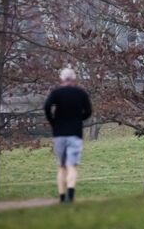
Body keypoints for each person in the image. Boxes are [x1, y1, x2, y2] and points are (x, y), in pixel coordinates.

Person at [44, 67, 92, 203]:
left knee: (61, 166)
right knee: (72, 165)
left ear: (61, 79)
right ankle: (70, 196)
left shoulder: (56, 93)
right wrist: (79, 119)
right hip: (75, 133)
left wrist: (53, 121)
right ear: (74, 79)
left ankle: (61, 196)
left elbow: (47, 106)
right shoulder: (81, 93)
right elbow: (88, 111)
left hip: (59, 133)